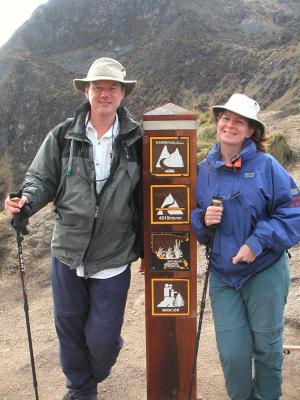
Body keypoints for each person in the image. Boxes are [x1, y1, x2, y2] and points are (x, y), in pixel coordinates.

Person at [5, 57, 143, 400]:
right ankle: (81, 391)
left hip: (113, 255)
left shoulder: (136, 140)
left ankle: (89, 375)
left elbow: (153, 192)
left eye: (112, 88)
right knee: (68, 329)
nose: (105, 94)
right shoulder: (64, 135)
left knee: (102, 339)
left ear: (123, 94)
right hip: (67, 253)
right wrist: (26, 202)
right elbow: (40, 179)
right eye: (98, 87)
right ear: (87, 91)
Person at [191, 93, 300, 400]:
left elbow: (293, 212)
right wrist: (202, 220)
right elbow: (192, 222)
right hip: (224, 276)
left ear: (251, 130)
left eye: (239, 121)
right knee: (233, 355)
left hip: (264, 270)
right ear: (217, 122)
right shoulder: (202, 170)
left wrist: (257, 242)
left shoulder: (267, 166)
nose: (230, 124)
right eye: (226, 118)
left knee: (267, 347)